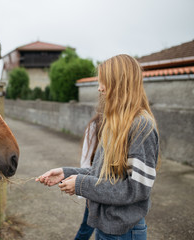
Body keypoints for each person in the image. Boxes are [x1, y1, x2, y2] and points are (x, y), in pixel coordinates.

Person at [36, 54, 160, 240]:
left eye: (105, 82)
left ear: (122, 83)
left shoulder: (141, 126)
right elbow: (102, 174)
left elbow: (137, 189)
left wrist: (81, 185)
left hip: (124, 233)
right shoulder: (114, 123)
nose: (100, 87)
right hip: (105, 228)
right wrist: (66, 173)